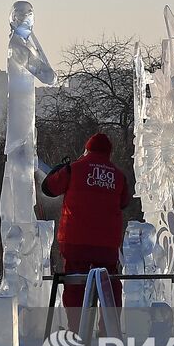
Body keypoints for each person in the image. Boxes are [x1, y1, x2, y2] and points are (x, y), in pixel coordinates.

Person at [40, 132, 128, 328]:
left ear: (87, 149)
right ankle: (109, 328)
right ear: (109, 153)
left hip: (75, 241)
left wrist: (60, 169)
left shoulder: (73, 169)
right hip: (106, 244)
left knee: (75, 283)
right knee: (109, 282)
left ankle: (76, 329)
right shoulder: (118, 175)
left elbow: (48, 188)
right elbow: (124, 201)